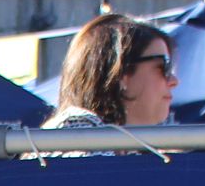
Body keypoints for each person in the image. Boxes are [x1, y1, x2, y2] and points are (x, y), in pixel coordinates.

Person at [46, 12, 179, 129]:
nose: (174, 81)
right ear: (121, 73)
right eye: (164, 67)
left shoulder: (128, 145)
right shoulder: (74, 134)